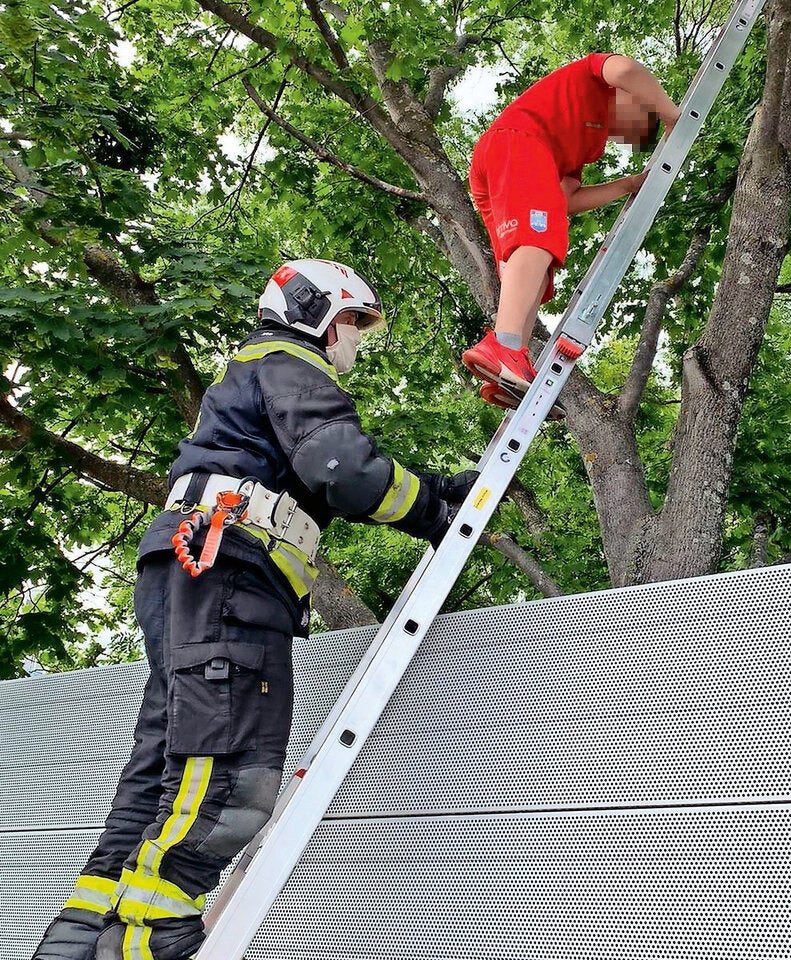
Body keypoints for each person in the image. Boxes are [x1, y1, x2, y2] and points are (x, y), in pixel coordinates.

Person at [32, 259, 478, 960]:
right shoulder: (289, 360)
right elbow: (342, 468)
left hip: (191, 571)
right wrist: (435, 512)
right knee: (231, 762)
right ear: (317, 314)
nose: (354, 343)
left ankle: (80, 938)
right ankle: (153, 936)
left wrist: (435, 487)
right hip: (229, 576)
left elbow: (315, 478)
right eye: (353, 324)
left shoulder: (249, 377)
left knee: (162, 763)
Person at [462, 53, 681, 408]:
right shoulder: (591, 77)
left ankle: (513, 359)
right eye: (637, 123)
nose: (622, 136)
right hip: (516, 142)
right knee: (537, 236)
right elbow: (625, 70)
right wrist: (672, 117)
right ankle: (501, 344)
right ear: (630, 98)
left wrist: (626, 185)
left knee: (538, 262)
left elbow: (565, 199)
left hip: (507, 163)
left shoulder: (587, 145)